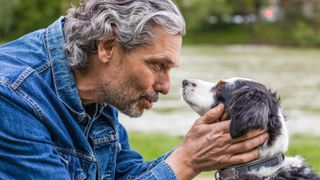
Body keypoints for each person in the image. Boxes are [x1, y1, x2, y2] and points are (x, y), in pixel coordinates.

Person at [0, 0, 268, 179]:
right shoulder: (11, 96)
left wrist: (196, 150)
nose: (165, 87)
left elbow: (127, 174)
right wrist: (187, 161)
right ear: (107, 47)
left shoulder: (95, 86)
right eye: (157, 65)